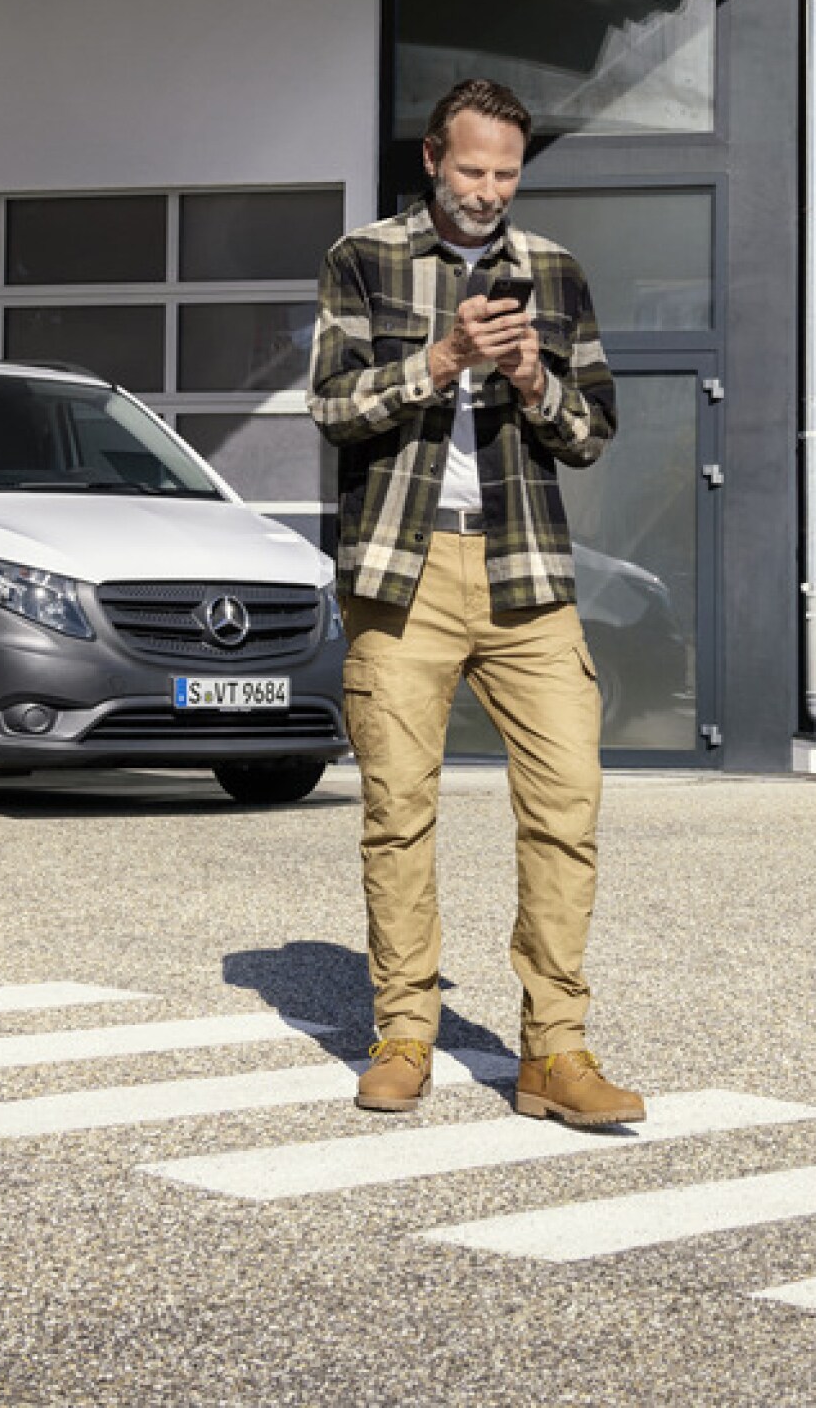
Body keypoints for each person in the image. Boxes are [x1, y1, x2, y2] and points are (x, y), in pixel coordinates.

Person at [307, 76, 645, 1128]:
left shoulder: (553, 272)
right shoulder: (363, 260)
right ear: (431, 159)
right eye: (472, 169)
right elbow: (332, 407)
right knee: (398, 813)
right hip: (401, 574)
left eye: (506, 172)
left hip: (524, 573)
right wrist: (443, 360)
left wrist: (536, 381)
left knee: (565, 808)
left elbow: (590, 431)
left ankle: (555, 1053)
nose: (489, 190)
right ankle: (404, 1033)